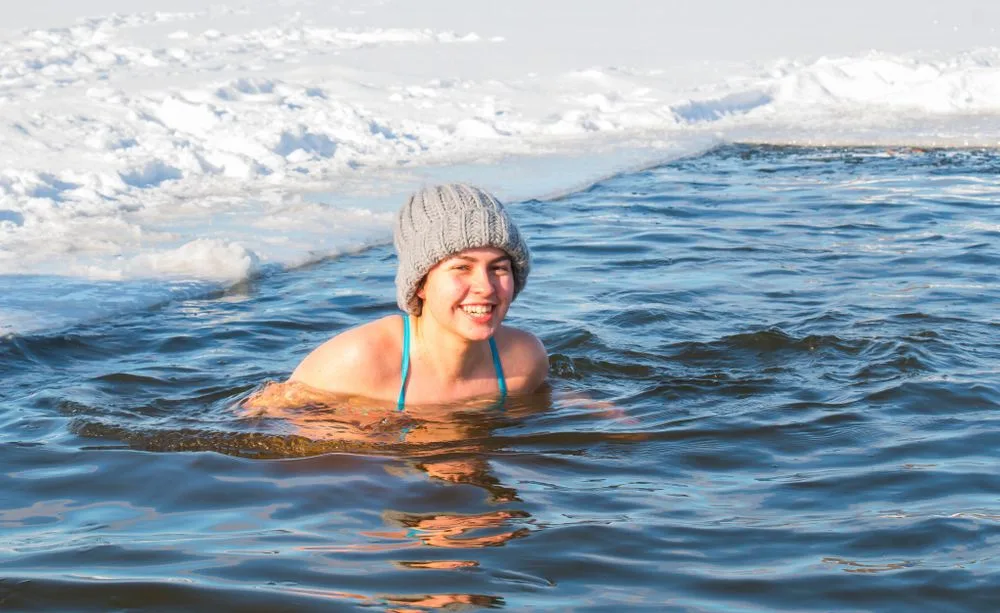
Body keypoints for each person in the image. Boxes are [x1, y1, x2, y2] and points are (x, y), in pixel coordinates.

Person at [245, 183, 548, 413]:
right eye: (462, 267)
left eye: (498, 268)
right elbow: (261, 421)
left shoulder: (523, 360)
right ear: (420, 284)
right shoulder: (356, 362)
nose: (485, 287)